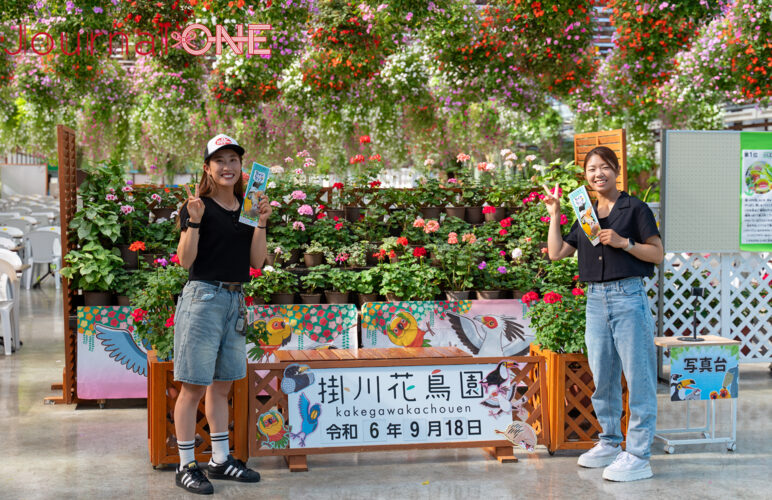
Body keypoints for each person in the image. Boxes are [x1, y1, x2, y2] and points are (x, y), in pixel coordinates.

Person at [543, 146, 664, 482]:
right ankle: (610, 442)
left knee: (638, 377)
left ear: (616, 170)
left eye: (604, 168)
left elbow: (657, 254)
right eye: (591, 169)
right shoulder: (585, 212)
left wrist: (624, 243)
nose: (598, 174)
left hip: (628, 296)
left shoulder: (635, 208)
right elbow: (556, 253)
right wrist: (555, 214)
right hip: (595, 300)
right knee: (603, 376)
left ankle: (638, 454)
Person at [173, 134, 271, 494]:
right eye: (220, 160)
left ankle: (219, 459)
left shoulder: (247, 208)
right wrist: (194, 222)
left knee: (222, 385)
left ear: (242, 167)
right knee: (194, 386)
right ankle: (186, 465)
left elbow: (256, 262)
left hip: (235, 300)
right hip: (203, 298)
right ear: (207, 168)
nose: (228, 167)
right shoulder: (197, 207)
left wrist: (261, 222)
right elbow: (185, 261)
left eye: (233, 160)